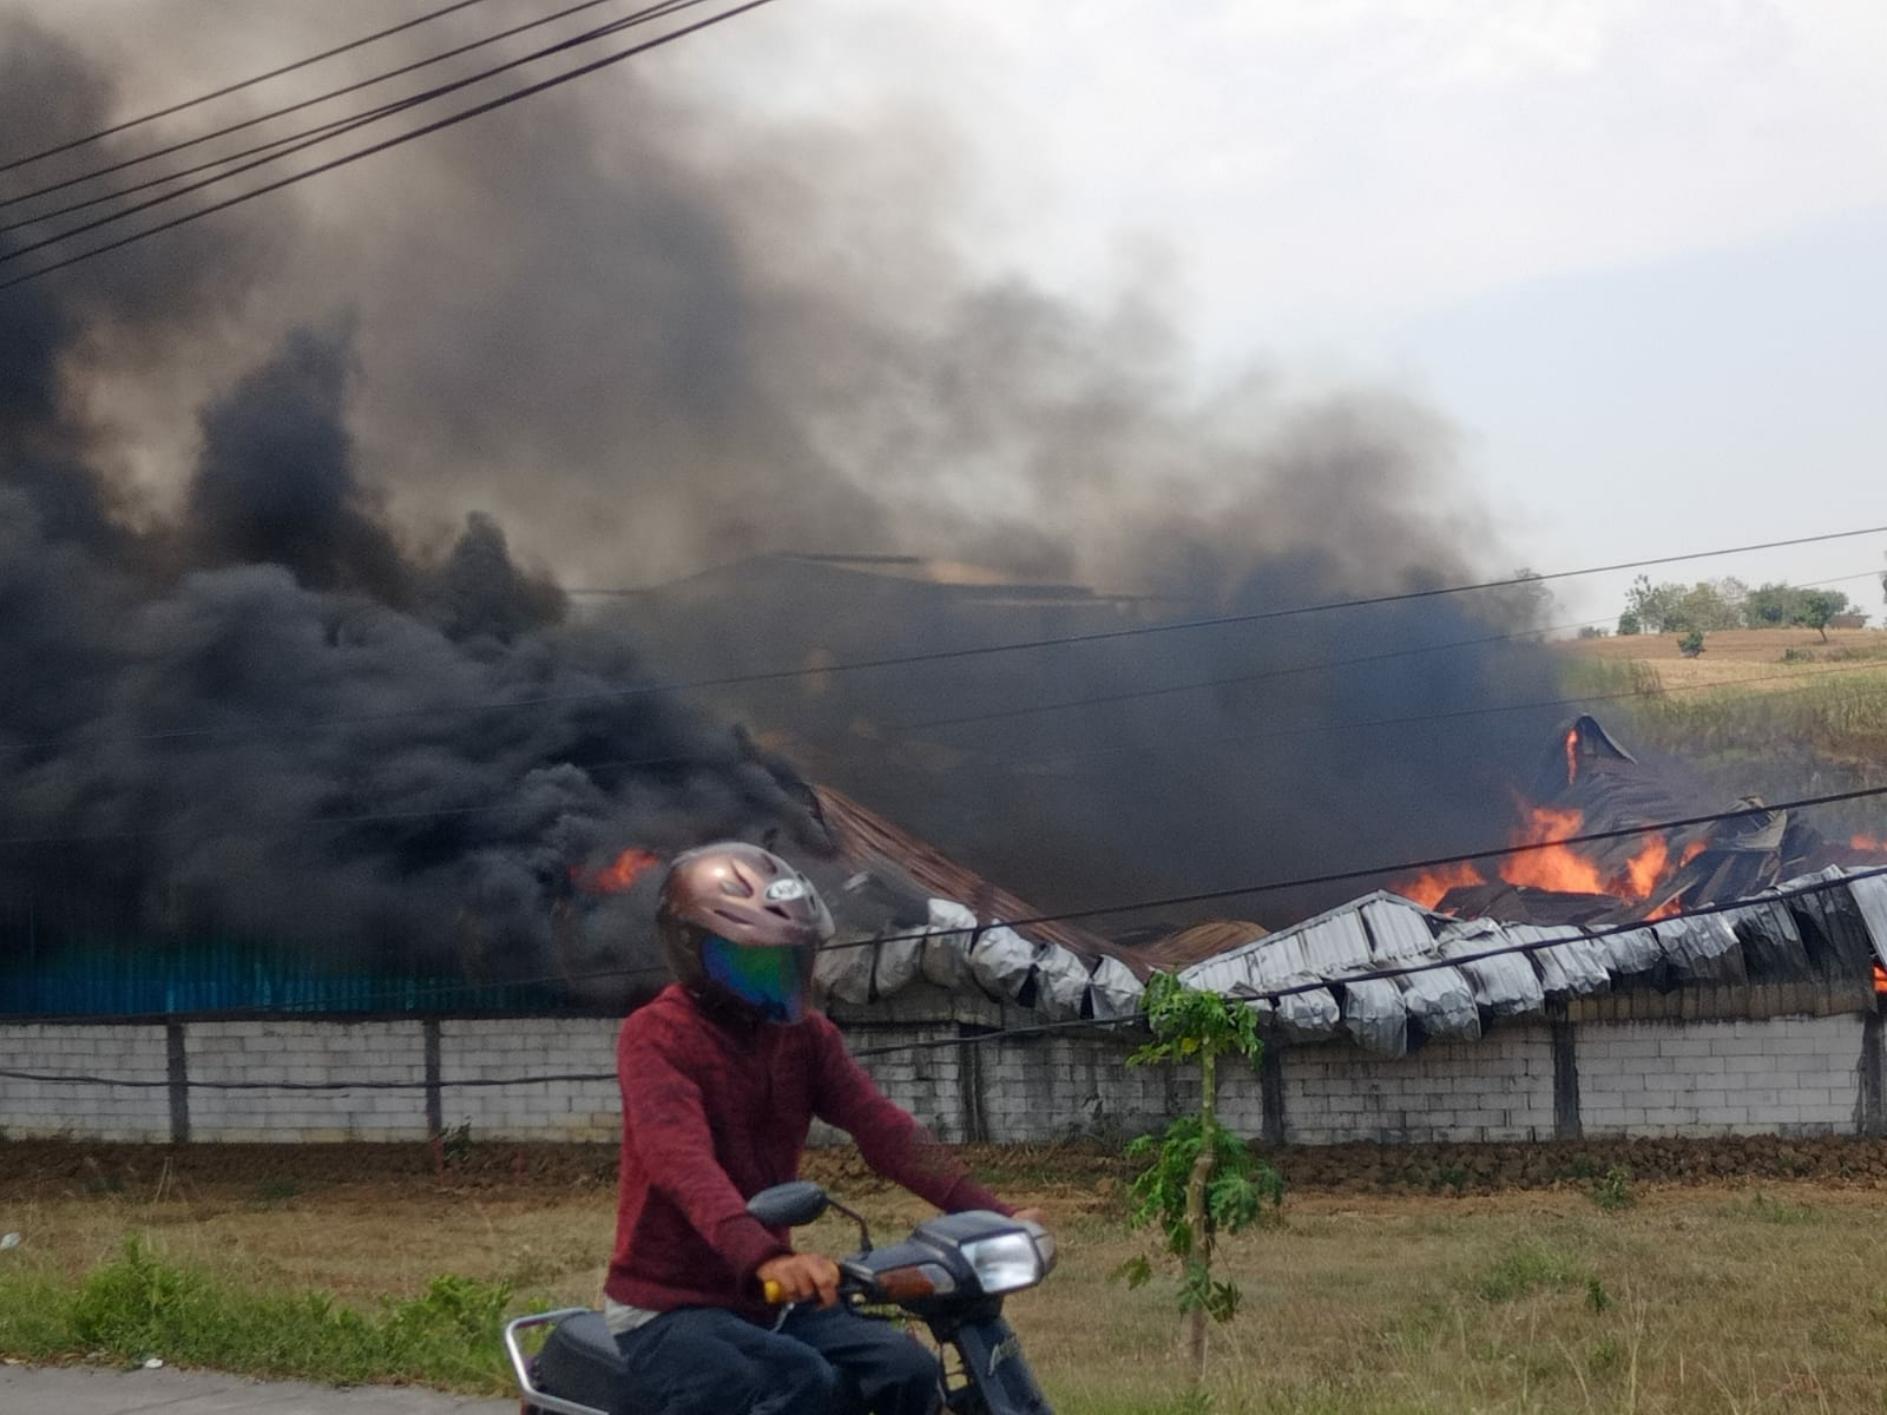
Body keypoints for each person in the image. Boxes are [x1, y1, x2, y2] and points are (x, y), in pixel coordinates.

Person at [606, 841, 1042, 1415]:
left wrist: (997, 1213)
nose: (779, 976)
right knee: (800, 1384)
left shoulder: (805, 1038)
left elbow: (886, 1131)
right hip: (668, 1310)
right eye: (757, 962)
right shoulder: (657, 1036)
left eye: (791, 961)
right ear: (695, 953)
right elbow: (680, 1162)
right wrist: (766, 1257)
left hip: (767, 1302)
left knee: (907, 1370)